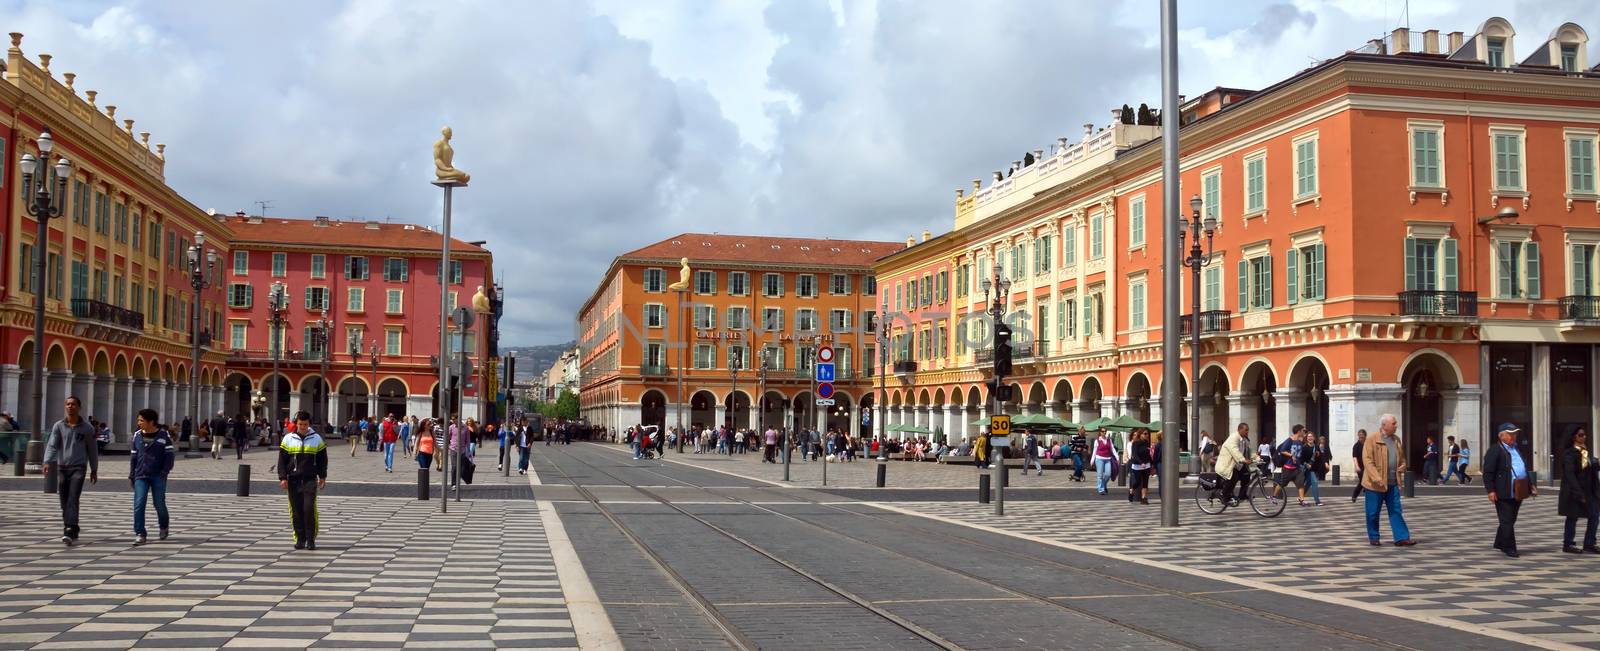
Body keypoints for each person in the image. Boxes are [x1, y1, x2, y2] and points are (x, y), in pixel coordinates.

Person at [44, 396, 99, 546]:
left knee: (73, 498)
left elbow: (93, 450)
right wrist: (48, 461)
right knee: (64, 500)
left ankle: (68, 530)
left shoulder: (88, 428)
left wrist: (94, 469)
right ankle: (72, 526)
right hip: (62, 467)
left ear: (79, 407)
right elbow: (52, 445)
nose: (70, 407)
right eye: (67, 404)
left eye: (73, 404)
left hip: (79, 468)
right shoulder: (59, 426)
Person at [1361, 414, 1415, 547]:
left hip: (1393, 483)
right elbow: (1367, 461)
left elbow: (1401, 458)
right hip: (1374, 484)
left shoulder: (1396, 440)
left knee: (1396, 510)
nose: (1396, 425)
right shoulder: (1372, 440)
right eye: (1394, 423)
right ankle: (1374, 537)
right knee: (1372, 512)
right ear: (1384, 425)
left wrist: (1403, 465)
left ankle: (1401, 537)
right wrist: (1377, 478)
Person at [278, 411, 328, 550]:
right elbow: (282, 460)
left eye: (305, 424)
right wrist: (282, 477)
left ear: (309, 424)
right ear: (296, 423)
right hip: (293, 479)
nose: (303, 427)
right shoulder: (288, 438)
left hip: (310, 479)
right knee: (296, 510)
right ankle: (300, 539)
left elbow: (322, 460)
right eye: (300, 424)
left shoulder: (316, 438)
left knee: (308, 509)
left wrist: (322, 476)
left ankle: (310, 540)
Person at [1483, 422, 1534, 557]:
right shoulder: (1495, 450)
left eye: (1515, 434)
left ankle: (1500, 542)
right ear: (1502, 436)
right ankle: (1509, 547)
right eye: (1511, 434)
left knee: (1510, 519)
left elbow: (1524, 467)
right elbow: (1488, 472)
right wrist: (1491, 491)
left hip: (1518, 490)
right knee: (1506, 520)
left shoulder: (1517, 449)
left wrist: (1531, 484)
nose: (1514, 436)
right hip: (1503, 491)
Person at [128, 408, 175, 545]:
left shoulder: (163, 436)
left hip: (158, 475)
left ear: (151, 422)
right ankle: (140, 533)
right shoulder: (137, 435)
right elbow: (133, 457)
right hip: (140, 475)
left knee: (159, 503)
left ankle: (163, 526)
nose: (139, 422)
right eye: (138, 420)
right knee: (139, 503)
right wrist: (132, 475)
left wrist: (164, 471)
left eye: (141, 420)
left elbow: (169, 456)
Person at [1559, 428, 1600, 554]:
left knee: (1594, 515)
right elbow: (1570, 474)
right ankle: (1568, 544)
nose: (1584, 437)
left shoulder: (1584, 452)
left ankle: (1589, 543)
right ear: (1574, 437)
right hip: (1574, 491)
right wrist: (1578, 492)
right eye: (1581, 435)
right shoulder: (1569, 454)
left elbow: (1587, 469)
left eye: (1584, 435)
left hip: (1590, 491)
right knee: (1572, 516)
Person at [1214, 424, 1255, 506]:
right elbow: (1234, 451)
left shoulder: (1244, 439)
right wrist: (1244, 460)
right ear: (1240, 429)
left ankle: (1242, 495)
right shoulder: (1233, 438)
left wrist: (1257, 457)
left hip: (1237, 464)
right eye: (1246, 430)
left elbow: (1249, 451)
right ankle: (1223, 495)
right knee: (1233, 478)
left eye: (1248, 430)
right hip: (1227, 464)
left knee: (1246, 476)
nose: (1247, 432)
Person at [1127, 429, 1152, 504]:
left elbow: (1148, 455)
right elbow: (1135, 455)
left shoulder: (1147, 443)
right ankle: (1131, 490)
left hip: (1146, 465)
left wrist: (1152, 463)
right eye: (1145, 434)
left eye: (1147, 434)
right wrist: (1141, 463)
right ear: (1140, 434)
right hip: (1137, 465)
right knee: (1137, 482)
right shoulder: (1135, 443)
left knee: (1145, 482)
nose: (1146, 435)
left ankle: (1144, 498)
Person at [1092, 429, 1115, 496]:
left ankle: (1104, 485)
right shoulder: (1097, 440)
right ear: (1100, 432)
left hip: (1108, 459)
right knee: (1100, 475)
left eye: (1105, 431)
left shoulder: (1109, 440)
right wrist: (1092, 460)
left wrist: (1117, 457)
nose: (1104, 432)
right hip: (1099, 458)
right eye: (1103, 431)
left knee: (1108, 474)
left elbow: (1112, 449)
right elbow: (1094, 451)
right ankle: (1101, 489)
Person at [1350, 429, 1368, 502]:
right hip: (1360, 466)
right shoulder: (1356, 446)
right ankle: (1355, 494)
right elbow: (1354, 457)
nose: (1361, 438)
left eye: (1362, 437)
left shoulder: (1368, 444)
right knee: (1362, 481)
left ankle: (1364, 491)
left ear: (1365, 436)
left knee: (1365, 481)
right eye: (1360, 437)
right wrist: (1357, 466)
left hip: (1368, 466)